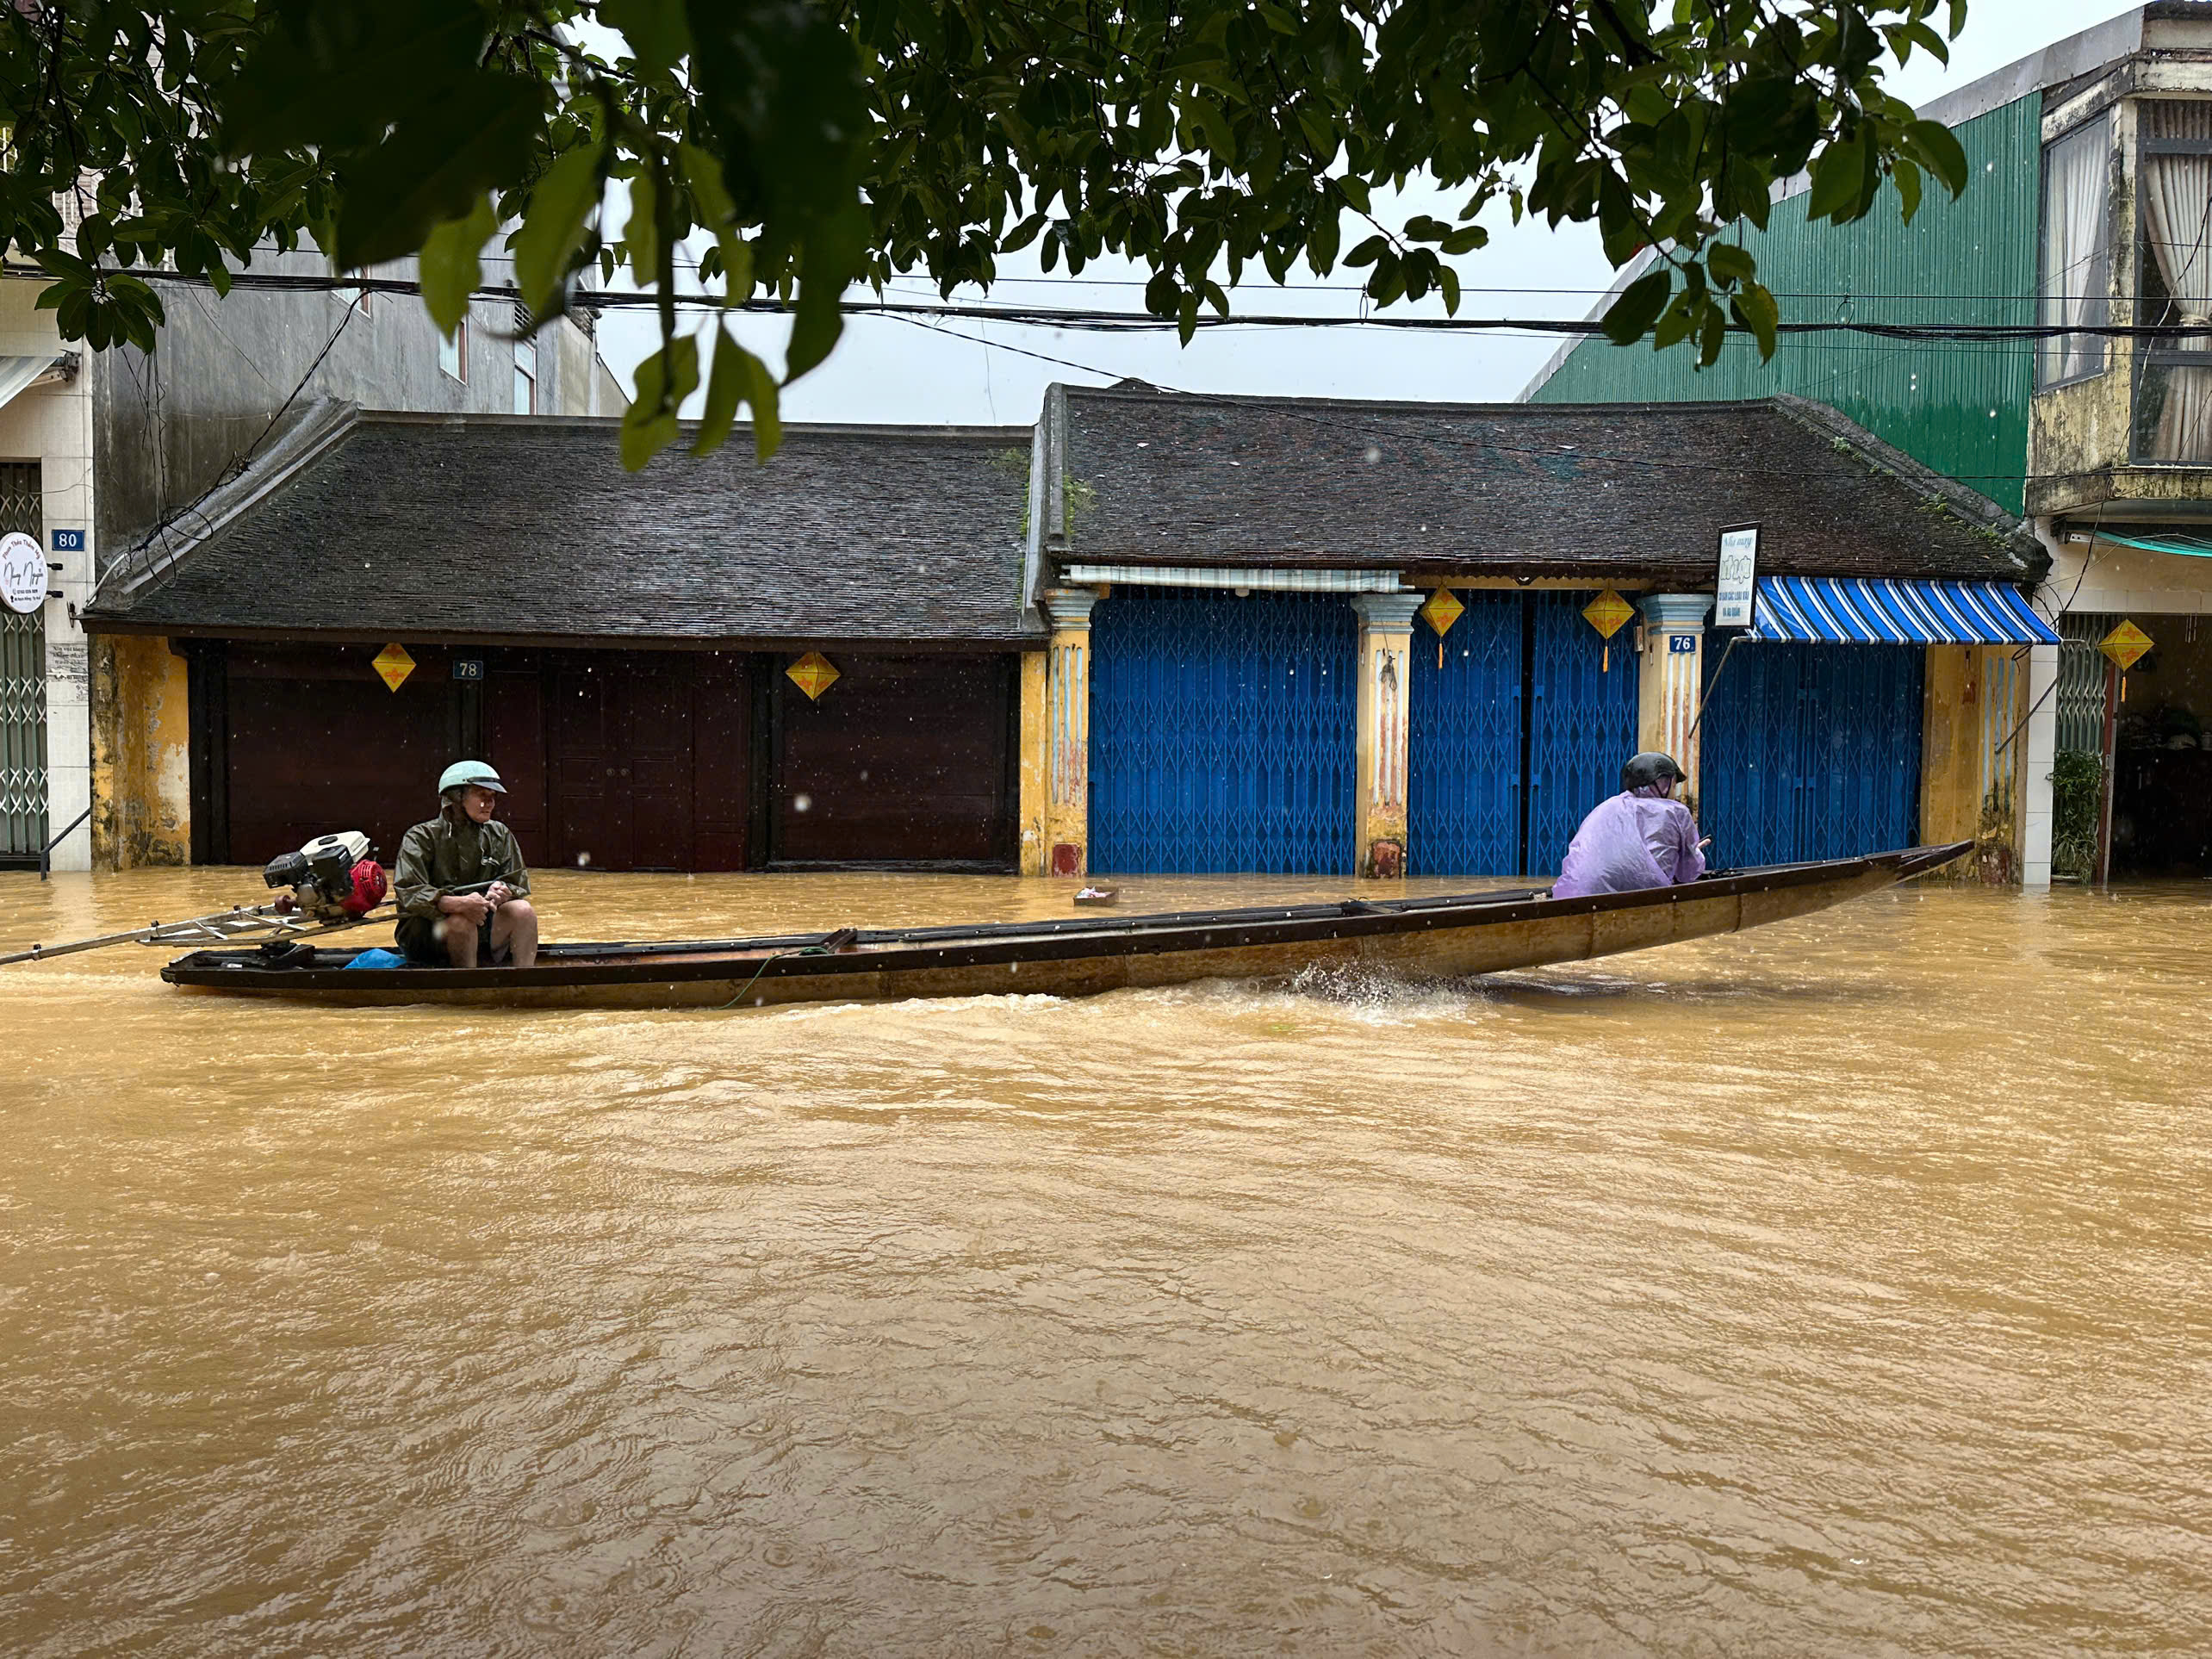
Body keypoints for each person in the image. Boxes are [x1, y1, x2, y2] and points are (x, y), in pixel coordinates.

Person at [393, 761, 539, 968]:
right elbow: (409, 892)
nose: (490, 804)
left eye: (493, 797)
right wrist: (457, 904)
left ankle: (525, 984)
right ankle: (469, 990)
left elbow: (516, 881)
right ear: (456, 797)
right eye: (482, 795)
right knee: (462, 922)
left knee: (523, 910)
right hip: (428, 933)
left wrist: (505, 891)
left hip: (483, 927)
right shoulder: (420, 837)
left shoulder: (500, 833)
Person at [1550, 752, 1711, 899]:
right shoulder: (1676, 812)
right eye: (1674, 786)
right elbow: (1687, 873)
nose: (1674, 793)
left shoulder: (1608, 806)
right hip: (1639, 899)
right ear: (1661, 784)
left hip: (1572, 893)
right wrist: (1695, 853)